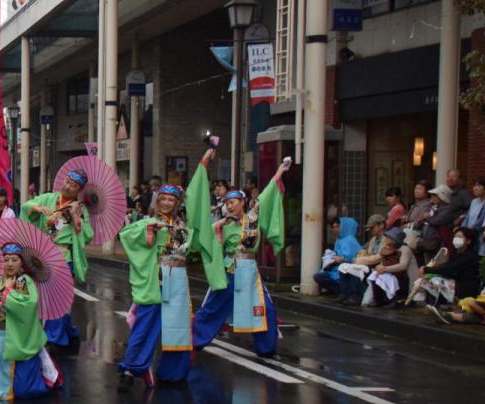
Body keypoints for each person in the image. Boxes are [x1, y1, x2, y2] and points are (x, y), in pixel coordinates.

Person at [117, 149, 222, 389]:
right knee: (146, 326)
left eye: (171, 200)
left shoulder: (184, 226)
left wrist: (203, 165)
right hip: (156, 280)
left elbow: (198, 215)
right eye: (162, 199)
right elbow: (126, 235)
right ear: (156, 201)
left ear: (177, 204)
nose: (166, 203)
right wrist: (149, 233)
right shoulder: (147, 222)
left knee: (178, 326)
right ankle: (131, 370)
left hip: (178, 281)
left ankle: (173, 372)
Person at [191, 160, 289, 357]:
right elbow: (207, 239)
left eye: (232, 202)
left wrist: (278, 173)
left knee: (264, 308)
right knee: (214, 307)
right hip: (230, 269)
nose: (229, 206)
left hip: (251, 271)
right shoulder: (223, 224)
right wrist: (218, 227)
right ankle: (194, 340)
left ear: (242, 202)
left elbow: (267, 196)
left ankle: (266, 348)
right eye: (227, 204)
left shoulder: (253, 217)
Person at [19, 168, 95, 347]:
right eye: (67, 182)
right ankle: (69, 331)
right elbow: (25, 207)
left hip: (63, 255)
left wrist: (76, 218)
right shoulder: (49, 198)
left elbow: (88, 235)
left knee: (56, 296)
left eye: (73, 186)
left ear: (78, 190)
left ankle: (54, 338)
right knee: (45, 296)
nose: (68, 187)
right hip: (43, 253)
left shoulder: (80, 209)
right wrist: (36, 208)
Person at [0, 243, 60, 400]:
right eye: (6, 259)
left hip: (18, 338)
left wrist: (7, 291)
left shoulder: (22, 281)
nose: (9, 264)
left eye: (14, 260)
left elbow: (27, 304)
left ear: (21, 263)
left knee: (25, 391)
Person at [415, 227, 481, 308]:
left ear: (468, 241)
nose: (456, 239)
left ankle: (437, 305)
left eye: (460, 237)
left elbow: (449, 269)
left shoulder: (469, 255)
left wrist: (427, 269)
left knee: (435, 281)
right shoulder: (457, 254)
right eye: (455, 236)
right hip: (457, 283)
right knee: (429, 279)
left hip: (466, 287)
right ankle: (433, 304)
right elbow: (447, 266)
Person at [335, 214, 386, 305]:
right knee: (344, 267)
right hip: (369, 264)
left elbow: (379, 257)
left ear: (381, 225)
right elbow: (363, 250)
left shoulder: (386, 239)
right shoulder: (373, 239)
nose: (370, 230)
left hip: (380, 266)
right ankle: (344, 294)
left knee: (356, 268)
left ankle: (356, 296)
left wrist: (359, 260)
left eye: (372, 227)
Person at [365, 228, 418, 307]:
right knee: (375, 275)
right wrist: (379, 267)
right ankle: (379, 300)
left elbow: (403, 266)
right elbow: (383, 261)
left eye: (389, 237)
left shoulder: (405, 249)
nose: (386, 239)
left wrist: (385, 269)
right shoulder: (388, 248)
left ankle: (396, 301)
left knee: (392, 279)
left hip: (404, 277)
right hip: (392, 273)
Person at [312, 217, 361, 296]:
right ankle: (336, 291)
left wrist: (342, 259)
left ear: (343, 226)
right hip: (336, 269)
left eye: (337, 226)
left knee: (321, 277)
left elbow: (354, 258)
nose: (335, 229)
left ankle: (340, 291)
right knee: (318, 276)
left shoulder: (350, 240)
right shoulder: (339, 239)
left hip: (347, 270)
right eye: (333, 227)